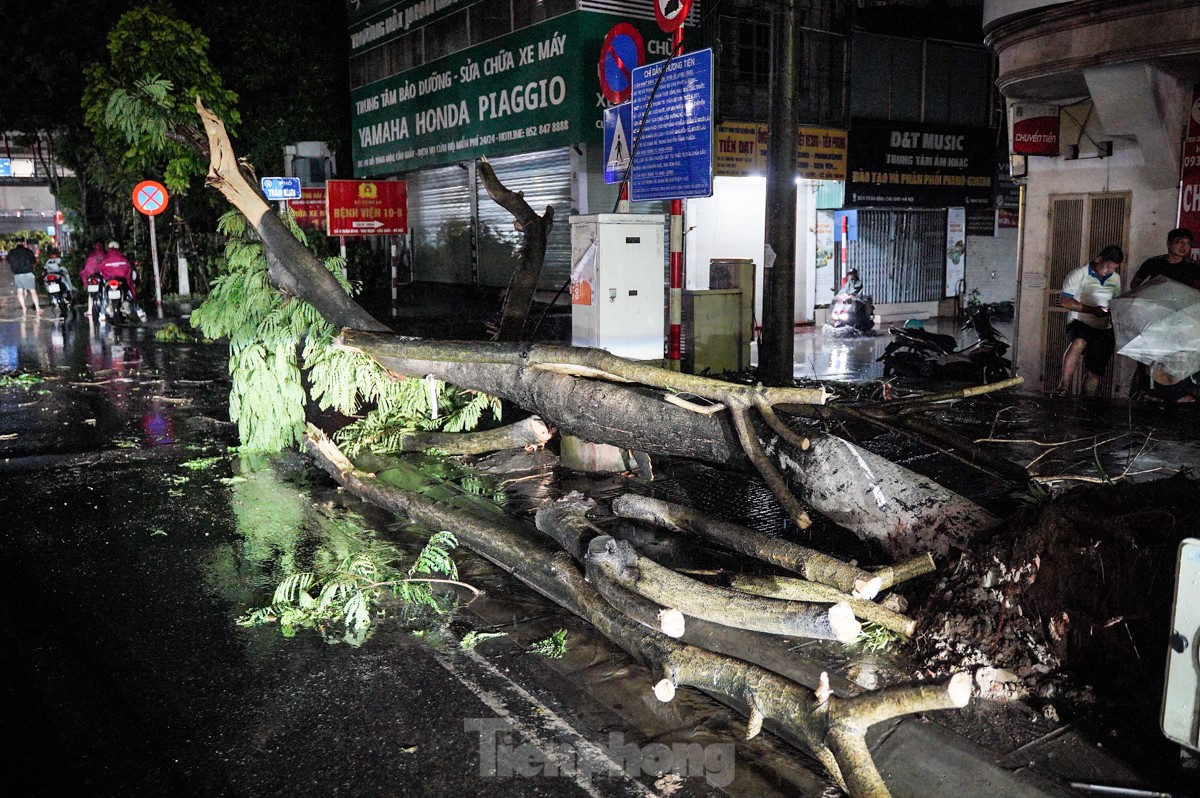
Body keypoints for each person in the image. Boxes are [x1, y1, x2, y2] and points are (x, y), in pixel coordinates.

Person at [1053, 244, 1124, 397]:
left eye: (1114, 269)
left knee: (1095, 369)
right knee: (1079, 342)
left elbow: (1116, 300)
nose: (1109, 271)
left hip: (1104, 326)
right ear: (1098, 259)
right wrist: (1092, 310)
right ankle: (1063, 385)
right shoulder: (1079, 274)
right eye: (1107, 267)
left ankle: (1087, 401)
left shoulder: (1115, 278)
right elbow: (1065, 301)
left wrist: (1111, 312)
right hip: (1081, 321)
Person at [1129, 227, 1199, 290]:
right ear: (1169, 244)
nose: (1184, 246)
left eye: (1188, 243)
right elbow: (1134, 283)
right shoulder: (1153, 262)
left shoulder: (1193, 266)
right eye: (1180, 242)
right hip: (1156, 302)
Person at [6, 239, 41, 315]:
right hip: (28, 272)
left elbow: (8, 260)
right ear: (23, 243)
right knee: (32, 290)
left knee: (20, 290)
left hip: (17, 274)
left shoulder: (11, 252)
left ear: (15, 243)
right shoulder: (28, 251)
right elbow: (33, 261)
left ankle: (24, 308)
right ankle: (38, 308)